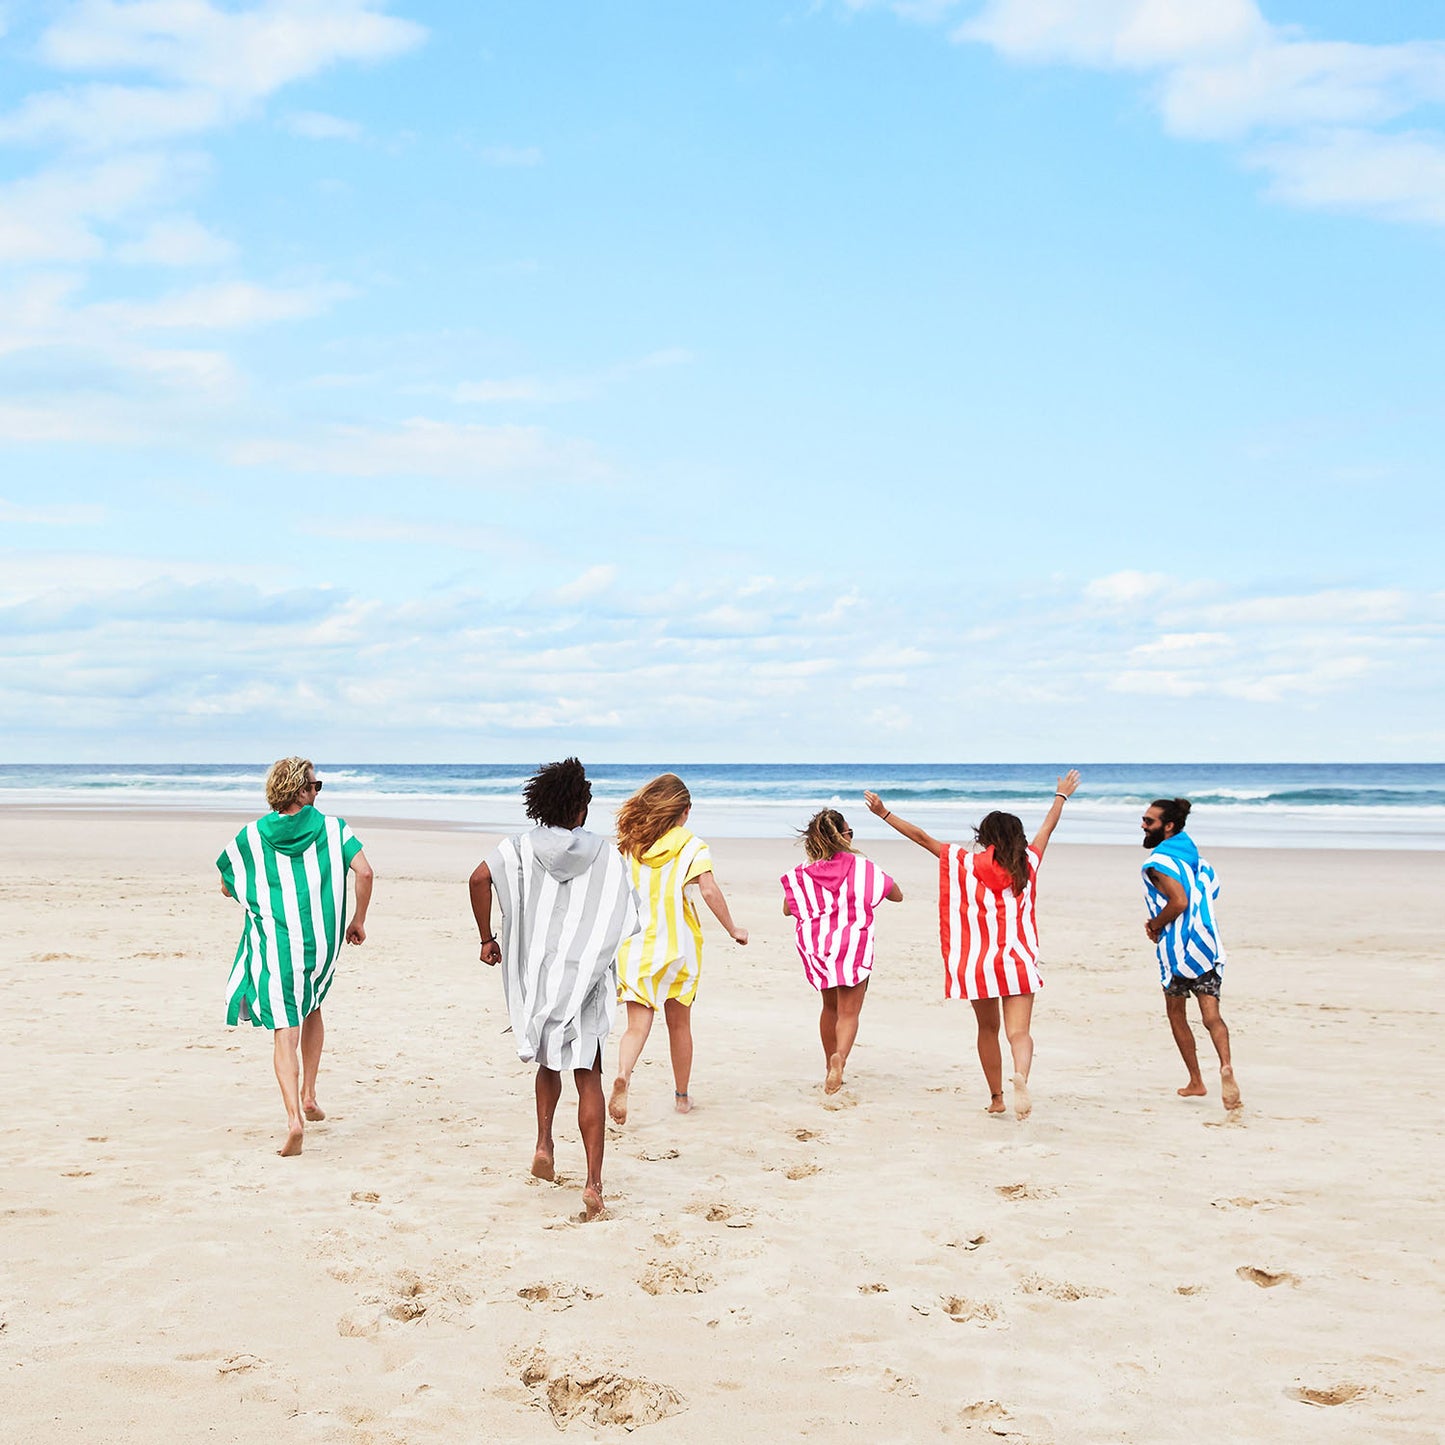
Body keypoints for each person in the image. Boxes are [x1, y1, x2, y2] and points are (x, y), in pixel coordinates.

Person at [469, 758, 640, 1220]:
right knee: (589, 1074)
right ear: (581, 807)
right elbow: (625, 913)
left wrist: (488, 937)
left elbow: (479, 878)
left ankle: (544, 1143)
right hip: (584, 979)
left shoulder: (518, 848)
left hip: (541, 978)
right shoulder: (605, 855)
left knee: (548, 1062)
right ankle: (593, 1183)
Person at [864, 772, 1080, 1119]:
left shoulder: (963, 862)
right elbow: (1048, 829)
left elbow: (922, 838)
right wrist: (1061, 795)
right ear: (1018, 838)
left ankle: (996, 1097)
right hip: (1017, 961)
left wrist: (883, 813)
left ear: (984, 837)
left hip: (978, 964)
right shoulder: (1029, 865)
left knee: (987, 1029)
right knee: (1019, 1032)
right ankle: (1020, 1076)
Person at [217, 757, 373, 1157]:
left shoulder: (251, 836)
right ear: (300, 791)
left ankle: (293, 1120)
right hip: (320, 945)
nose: (318, 793)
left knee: (285, 1027)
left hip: (276, 943)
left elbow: (227, 883)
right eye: (315, 786)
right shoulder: (334, 828)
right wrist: (357, 920)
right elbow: (366, 873)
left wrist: (260, 891)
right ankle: (309, 1093)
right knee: (313, 1005)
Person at [608, 773, 747, 1124]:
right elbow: (710, 891)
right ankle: (682, 1098)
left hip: (636, 945)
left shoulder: (632, 845)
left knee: (636, 1026)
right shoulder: (692, 845)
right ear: (683, 811)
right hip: (678, 947)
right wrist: (733, 929)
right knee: (679, 1025)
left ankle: (624, 1073)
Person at [780, 808, 902, 1095]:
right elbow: (896, 894)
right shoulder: (863, 869)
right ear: (843, 837)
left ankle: (828, 1066)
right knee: (849, 1012)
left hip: (820, 949)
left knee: (830, 1007)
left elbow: (788, 908)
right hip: (853, 947)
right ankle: (840, 1061)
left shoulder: (803, 874)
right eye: (850, 832)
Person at [1141, 798, 1241, 1111]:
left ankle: (1196, 1080)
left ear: (1168, 826)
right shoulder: (1199, 861)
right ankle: (1226, 1066)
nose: (1143, 826)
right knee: (1212, 1015)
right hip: (1207, 945)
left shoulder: (1160, 863)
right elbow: (1210, 892)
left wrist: (1155, 924)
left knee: (1176, 1013)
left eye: (1149, 821)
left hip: (1177, 950)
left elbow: (1179, 902)